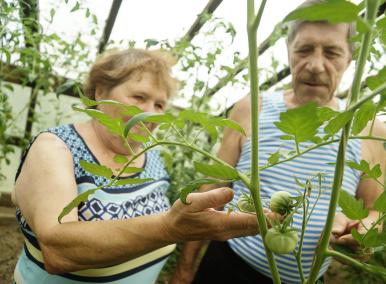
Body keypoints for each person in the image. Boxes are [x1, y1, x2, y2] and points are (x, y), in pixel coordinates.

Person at [171, 1, 386, 283]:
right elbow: (212, 186)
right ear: (288, 51)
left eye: (332, 53)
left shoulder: (368, 129)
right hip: (226, 265)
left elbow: (375, 210)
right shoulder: (252, 107)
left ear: (349, 59)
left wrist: (363, 231)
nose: (315, 65)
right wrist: (185, 267)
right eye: (304, 49)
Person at [11, 48, 261, 284]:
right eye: (139, 97)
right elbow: (59, 252)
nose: (150, 113)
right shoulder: (56, 148)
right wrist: (169, 228)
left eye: (159, 105)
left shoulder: (152, 158)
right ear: (100, 92)